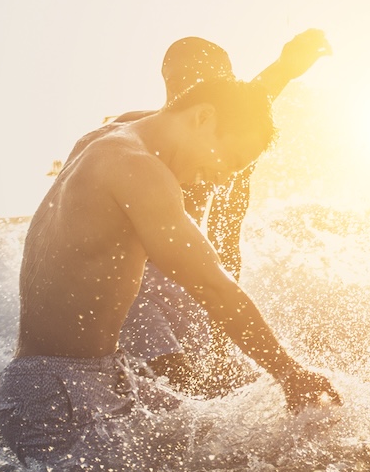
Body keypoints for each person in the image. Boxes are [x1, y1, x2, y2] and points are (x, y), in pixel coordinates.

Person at [0, 78, 340, 471]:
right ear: (203, 118)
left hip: (91, 375)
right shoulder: (136, 169)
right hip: (56, 392)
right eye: (229, 160)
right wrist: (291, 373)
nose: (224, 178)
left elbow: (196, 106)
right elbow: (213, 287)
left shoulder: (106, 139)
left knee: (223, 446)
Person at [113, 30, 331, 393]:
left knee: (242, 392)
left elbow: (225, 241)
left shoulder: (225, 150)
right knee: (178, 395)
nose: (196, 90)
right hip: (130, 293)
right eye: (183, 81)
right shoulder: (130, 137)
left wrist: (220, 338)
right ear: (173, 82)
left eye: (221, 82)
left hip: (190, 291)